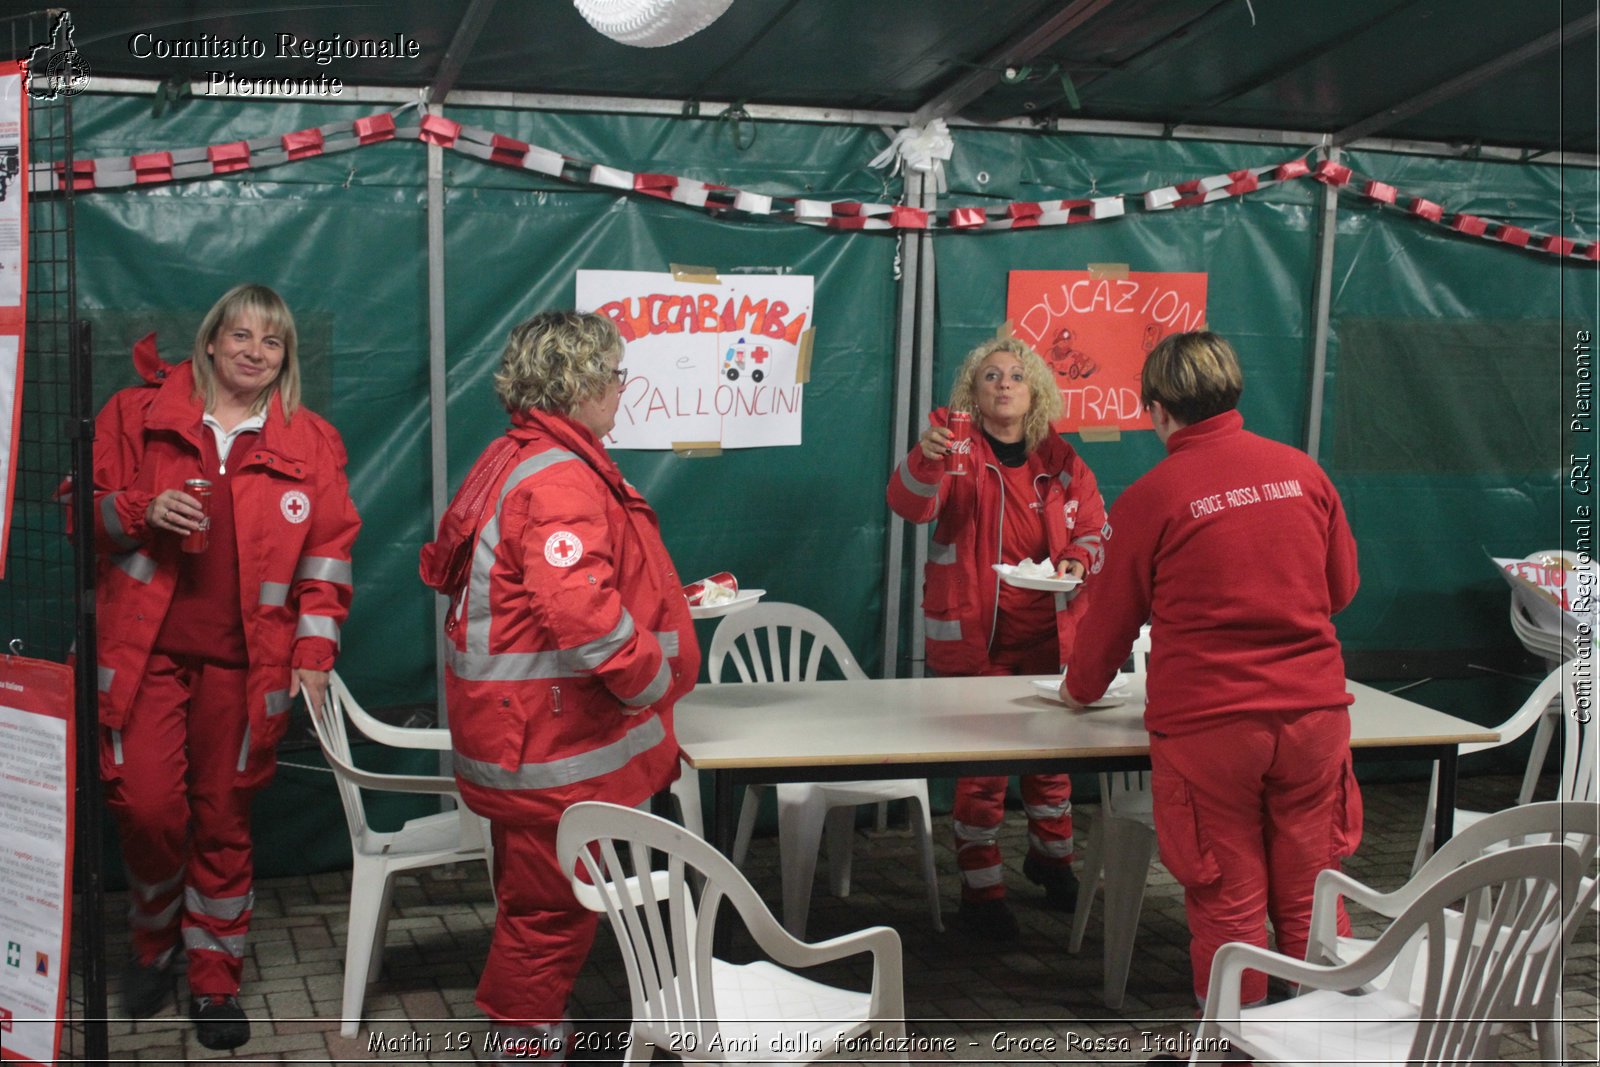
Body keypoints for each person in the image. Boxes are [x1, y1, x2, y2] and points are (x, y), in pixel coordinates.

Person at [421, 310, 699, 1057]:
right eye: (612, 375)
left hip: (522, 736)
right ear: (575, 382)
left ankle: (528, 1027)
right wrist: (649, 678)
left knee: (536, 900)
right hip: (551, 743)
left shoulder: (519, 457)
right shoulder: (560, 477)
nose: (620, 389)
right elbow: (579, 610)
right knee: (552, 909)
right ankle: (526, 1038)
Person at [92, 284, 360, 1050]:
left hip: (247, 671)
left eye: (271, 342)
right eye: (240, 334)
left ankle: (213, 979)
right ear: (209, 341)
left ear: (285, 358)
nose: (254, 350)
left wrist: (312, 653)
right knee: (147, 809)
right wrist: (145, 509)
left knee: (222, 819)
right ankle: (154, 939)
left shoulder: (310, 440)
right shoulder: (134, 416)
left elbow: (330, 556)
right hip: (143, 659)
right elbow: (87, 513)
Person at [1061, 330, 1362, 1007]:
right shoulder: (1303, 473)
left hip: (1209, 729)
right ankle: (1331, 1039)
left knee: (1227, 899)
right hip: (1314, 718)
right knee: (1314, 889)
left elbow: (1108, 626)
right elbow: (1340, 589)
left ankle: (1237, 1047)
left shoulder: (1150, 496)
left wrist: (1078, 690)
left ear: (1159, 410)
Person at [886, 335, 1108, 939]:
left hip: (1050, 638)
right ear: (973, 392)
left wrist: (1077, 563)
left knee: (1051, 765)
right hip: (973, 642)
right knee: (982, 773)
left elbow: (1093, 528)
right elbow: (908, 505)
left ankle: (1053, 859)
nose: (1003, 383)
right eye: (990, 375)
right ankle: (981, 889)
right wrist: (925, 457)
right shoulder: (950, 444)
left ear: (1034, 388)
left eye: (1015, 374)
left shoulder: (1061, 459)